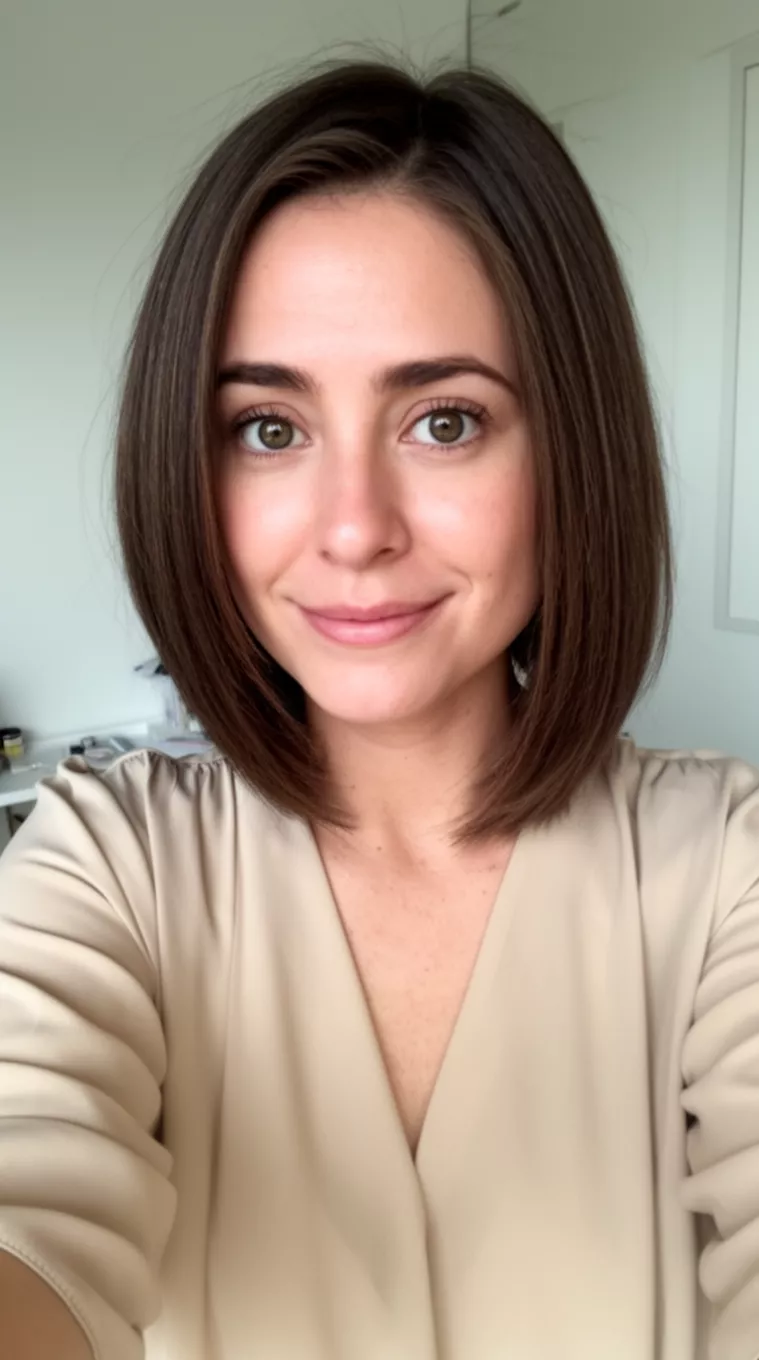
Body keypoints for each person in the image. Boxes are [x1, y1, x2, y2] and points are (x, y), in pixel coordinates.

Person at [0, 56, 757, 1360]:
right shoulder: (106, 862)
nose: (353, 530)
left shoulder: (721, 868)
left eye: (445, 421)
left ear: (569, 449)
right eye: (269, 430)